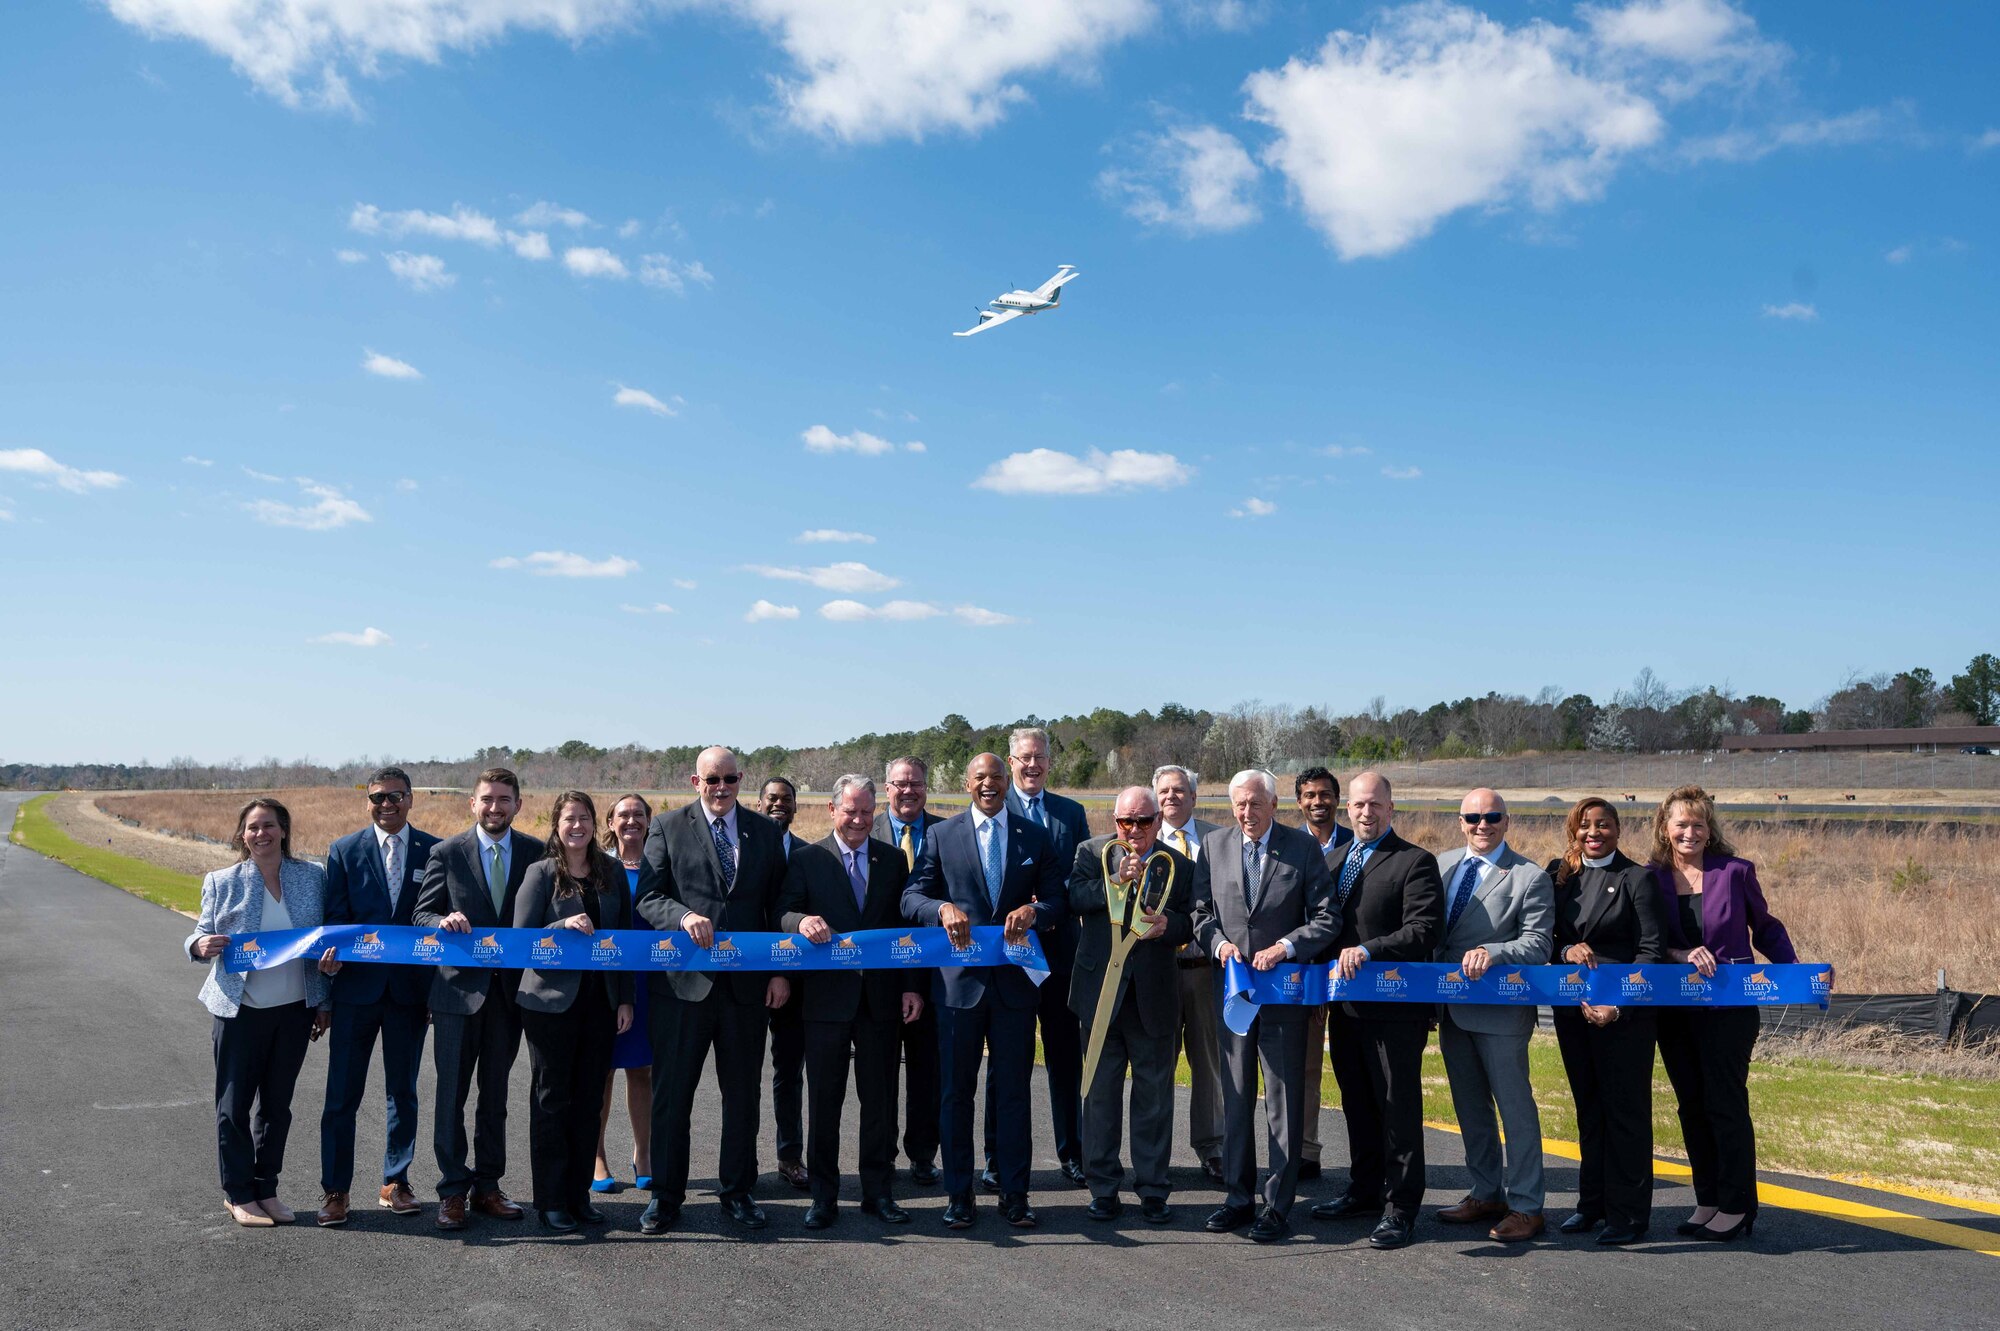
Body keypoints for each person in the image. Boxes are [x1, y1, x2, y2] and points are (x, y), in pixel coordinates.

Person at [902, 751, 1065, 1230]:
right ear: (967, 784)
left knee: (1013, 1094)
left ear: (1006, 781)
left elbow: (1058, 899)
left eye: (996, 776)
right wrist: (941, 909)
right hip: (958, 991)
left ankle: (1015, 1193)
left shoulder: (1034, 835)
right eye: (979, 777)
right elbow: (911, 897)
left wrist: (1035, 912)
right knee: (956, 1094)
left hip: (1015, 988)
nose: (988, 784)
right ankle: (959, 1194)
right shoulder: (941, 835)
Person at [634, 746, 792, 1236]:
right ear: (695, 781)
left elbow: (778, 906)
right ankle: (665, 1197)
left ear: (740, 779)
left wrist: (780, 972)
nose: (721, 788)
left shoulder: (764, 831)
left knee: (742, 1097)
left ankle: (738, 1191)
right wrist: (683, 916)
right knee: (672, 1096)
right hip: (683, 987)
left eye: (729, 779)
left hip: (746, 990)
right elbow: (648, 896)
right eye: (712, 779)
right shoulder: (667, 826)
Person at [1190, 769, 1339, 1244]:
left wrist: (1285, 948)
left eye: (1256, 803)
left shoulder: (1303, 848)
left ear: (1274, 805)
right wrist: (1218, 945)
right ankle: (1238, 1197)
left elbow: (1327, 917)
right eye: (1239, 804)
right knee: (1235, 1096)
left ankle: (1277, 1205)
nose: (1247, 812)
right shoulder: (1214, 846)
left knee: (1283, 1101)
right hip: (1234, 992)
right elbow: (1199, 913)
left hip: (1283, 995)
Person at [1649, 784, 1798, 1243]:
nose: (1690, 832)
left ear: (1709, 829)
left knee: (1724, 1103)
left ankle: (1737, 1205)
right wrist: (1679, 954)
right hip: (1674, 1009)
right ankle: (1708, 1199)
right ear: (1665, 828)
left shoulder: (1735, 872)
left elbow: (1766, 928)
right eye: (1681, 824)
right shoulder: (1649, 877)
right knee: (1690, 1105)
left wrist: (1797, 974)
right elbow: (1647, 941)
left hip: (1729, 1008)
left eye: (1698, 824)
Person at [780, 775, 924, 1229]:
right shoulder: (807, 859)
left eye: (866, 811)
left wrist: (911, 986)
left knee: (879, 1101)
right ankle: (824, 1197)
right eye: (850, 811)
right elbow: (782, 913)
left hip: (881, 1000)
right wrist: (801, 922)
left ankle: (878, 1193)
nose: (859, 820)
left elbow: (907, 928)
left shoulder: (892, 860)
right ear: (831, 810)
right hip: (826, 1001)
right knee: (825, 1102)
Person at [185, 798, 332, 1227]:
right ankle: (238, 1194)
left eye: (269, 825)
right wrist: (199, 945)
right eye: (252, 827)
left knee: (277, 1107)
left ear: (283, 830)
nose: (260, 834)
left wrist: (324, 1000)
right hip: (240, 1011)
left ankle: (266, 1189)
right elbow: (199, 933)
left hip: (294, 1010)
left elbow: (323, 940)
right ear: (242, 835)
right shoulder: (222, 881)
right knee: (233, 1108)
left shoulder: (313, 877)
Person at [1311, 771, 1443, 1250]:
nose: (1366, 812)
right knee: (1358, 1104)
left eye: (1375, 804)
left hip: (1396, 1009)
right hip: (1346, 1007)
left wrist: (1370, 950)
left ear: (1391, 808)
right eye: (1358, 805)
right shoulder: (1334, 860)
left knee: (1397, 1108)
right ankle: (1364, 1191)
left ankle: (1401, 1207)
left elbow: (1424, 929)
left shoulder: (1415, 861)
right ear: (1347, 809)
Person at [412, 767, 546, 1230]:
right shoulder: (446, 853)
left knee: (496, 1097)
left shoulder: (536, 854)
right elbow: (421, 914)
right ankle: (452, 1190)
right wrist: (441, 921)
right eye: (487, 799)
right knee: (450, 1096)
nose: (495, 807)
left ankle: (488, 1186)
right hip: (456, 995)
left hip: (509, 997)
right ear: (473, 804)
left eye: (504, 799)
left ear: (518, 805)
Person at [315, 767, 439, 1227]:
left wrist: (435, 989)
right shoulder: (344, 850)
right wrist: (331, 961)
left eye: (396, 796)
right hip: (355, 992)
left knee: (402, 1093)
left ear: (411, 799)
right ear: (367, 801)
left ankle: (396, 1182)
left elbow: (436, 921)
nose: (387, 804)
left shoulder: (435, 850)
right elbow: (335, 917)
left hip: (410, 993)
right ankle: (335, 1190)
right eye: (378, 797)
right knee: (341, 1096)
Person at [1431, 789, 1554, 1243]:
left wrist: (1494, 951)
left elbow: (1538, 944)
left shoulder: (1529, 876)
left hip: (1501, 1013)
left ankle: (1526, 1206)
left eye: (1492, 816)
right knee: (1470, 1109)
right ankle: (1486, 1193)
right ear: (1460, 821)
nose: (1482, 825)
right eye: (1473, 817)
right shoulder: (1441, 865)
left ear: (1507, 821)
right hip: (1450, 1009)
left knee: (1515, 1112)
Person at [1067, 786, 1194, 1224]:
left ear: (1158, 820)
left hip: (1153, 997)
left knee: (1154, 1099)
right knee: (1100, 1098)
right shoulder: (1092, 853)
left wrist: (1169, 926)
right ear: (1115, 821)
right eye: (1126, 821)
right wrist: (1115, 880)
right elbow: (1074, 898)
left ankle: (1153, 1189)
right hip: (1100, 994)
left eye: (1143, 821)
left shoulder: (1178, 864)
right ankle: (1103, 1189)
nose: (1134, 830)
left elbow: (1191, 920)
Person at [513, 792, 635, 1232]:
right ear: (556, 824)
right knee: (552, 1100)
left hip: (601, 1002)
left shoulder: (611, 872)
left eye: (584, 818)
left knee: (588, 1102)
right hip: (549, 1004)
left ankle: (579, 1196)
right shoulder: (541, 873)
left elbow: (624, 939)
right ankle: (551, 1200)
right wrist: (561, 926)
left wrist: (625, 998)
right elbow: (521, 939)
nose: (578, 826)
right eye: (569, 819)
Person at [1547, 797, 1665, 1246]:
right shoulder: (1559, 875)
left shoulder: (1637, 878)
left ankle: (1628, 1215)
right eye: (1585, 825)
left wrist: (1619, 1006)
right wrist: (1566, 950)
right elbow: (1546, 939)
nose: (1593, 833)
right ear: (1573, 830)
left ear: (1618, 829)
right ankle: (1591, 1204)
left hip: (1624, 1017)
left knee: (1625, 1113)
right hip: (1573, 1011)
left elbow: (1651, 951)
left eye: (1603, 825)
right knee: (1589, 1109)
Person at [995, 726, 1091, 1189]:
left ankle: (1072, 1152)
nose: (1032, 765)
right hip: (1009, 954)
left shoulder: (1071, 813)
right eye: (1024, 757)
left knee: (1064, 1057)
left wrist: (1050, 900)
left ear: (1050, 762)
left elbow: (1084, 874)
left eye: (1040, 757)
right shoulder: (995, 807)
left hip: (1059, 950)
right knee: (1006, 1062)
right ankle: (998, 1158)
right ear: (1011, 761)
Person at [876, 756, 945, 1186]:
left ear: (926, 787)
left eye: (915, 783)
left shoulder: (946, 833)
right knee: (881, 1074)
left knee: (927, 1073)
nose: (908, 791)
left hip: (934, 975)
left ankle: (923, 1154)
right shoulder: (865, 831)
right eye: (900, 784)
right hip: (880, 978)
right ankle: (882, 1154)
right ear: (887, 788)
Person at [1155, 764, 1224, 1183]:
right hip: (1158, 971)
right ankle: (1154, 1154)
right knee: (1157, 1065)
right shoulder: (1141, 840)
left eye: (1179, 790)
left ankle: (1212, 1147)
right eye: (1164, 791)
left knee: (1209, 1063)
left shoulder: (1219, 840)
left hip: (1204, 969)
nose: (1171, 797)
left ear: (1195, 797)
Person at [1291, 765, 1352, 1182]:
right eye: (1310, 795)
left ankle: (1372, 1161)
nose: (1318, 802)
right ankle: (1303, 1150)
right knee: (1304, 1067)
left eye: (1325, 794)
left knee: (1354, 1071)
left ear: (1337, 799)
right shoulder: (1288, 845)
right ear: (1299, 801)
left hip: (1349, 972)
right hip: (1305, 973)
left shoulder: (1356, 844)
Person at [593, 793, 655, 1194]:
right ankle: (596, 1156)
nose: (631, 820)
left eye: (638, 814)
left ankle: (643, 1154)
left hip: (650, 981)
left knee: (642, 1070)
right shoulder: (598, 866)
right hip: (608, 980)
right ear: (610, 822)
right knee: (602, 1071)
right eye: (623, 815)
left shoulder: (661, 865)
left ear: (649, 821)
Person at [759, 775, 810, 1193]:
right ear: (759, 804)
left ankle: (789, 1156)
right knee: (738, 1077)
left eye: (787, 799)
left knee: (788, 1071)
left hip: (792, 981)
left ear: (796, 807)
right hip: (741, 978)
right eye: (772, 799)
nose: (779, 804)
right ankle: (740, 1164)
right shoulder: (744, 850)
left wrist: (784, 973)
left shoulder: (810, 856)